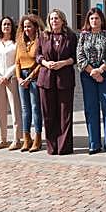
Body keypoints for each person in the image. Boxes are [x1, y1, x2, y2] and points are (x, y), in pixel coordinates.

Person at [36, 9, 78, 155]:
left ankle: (64, 147)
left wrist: (64, 63)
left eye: (57, 18)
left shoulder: (71, 36)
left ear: (62, 20)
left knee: (64, 114)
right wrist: (45, 63)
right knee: (48, 114)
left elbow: (75, 57)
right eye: (52, 18)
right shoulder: (43, 36)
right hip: (46, 79)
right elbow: (38, 55)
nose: (54, 21)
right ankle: (52, 146)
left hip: (64, 79)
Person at [76, 7, 106, 154]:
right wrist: (92, 71)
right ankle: (94, 143)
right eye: (92, 18)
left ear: (102, 20)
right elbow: (79, 57)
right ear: (88, 20)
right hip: (88, 76)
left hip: (105, 75)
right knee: (91, 109)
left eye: (97, 18)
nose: (94, 21)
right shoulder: (83, 36)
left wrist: (100, 70)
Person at [0, 16, 22, 151]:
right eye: (4, 24)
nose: (6, 26)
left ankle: (17, 139)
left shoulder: (16, 43)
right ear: (0, 27)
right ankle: (2, 139)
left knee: (15, 108)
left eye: (9, 24)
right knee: (0, 109)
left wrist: (7, 75)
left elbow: (17, 61)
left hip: (11, 78)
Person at [15, 15, 44, 152]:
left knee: (35, 107)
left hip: (34, 76)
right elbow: (17, 62)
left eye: (29, 26)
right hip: (22, 77)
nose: (26, 29)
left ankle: (37, 138)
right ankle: (27, 138)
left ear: (35, 27)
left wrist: (31, 76)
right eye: (25, 26)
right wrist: (19, 78)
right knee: (25, 109)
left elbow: (40, 61)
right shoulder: (20, 42)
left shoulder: (39, 41)